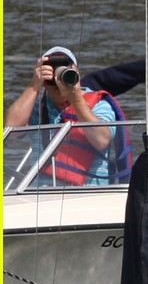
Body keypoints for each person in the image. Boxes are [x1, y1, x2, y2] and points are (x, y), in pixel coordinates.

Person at [5, 45, 130, 186]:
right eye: (52, 79)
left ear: (76, 73)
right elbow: (11, 128)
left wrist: (75, 100)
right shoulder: (36, 107)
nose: (58, 83)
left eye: (63, 74)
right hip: (41, 195)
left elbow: (102, 140)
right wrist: (34, 84)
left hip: (88, 194)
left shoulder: (99, 104)